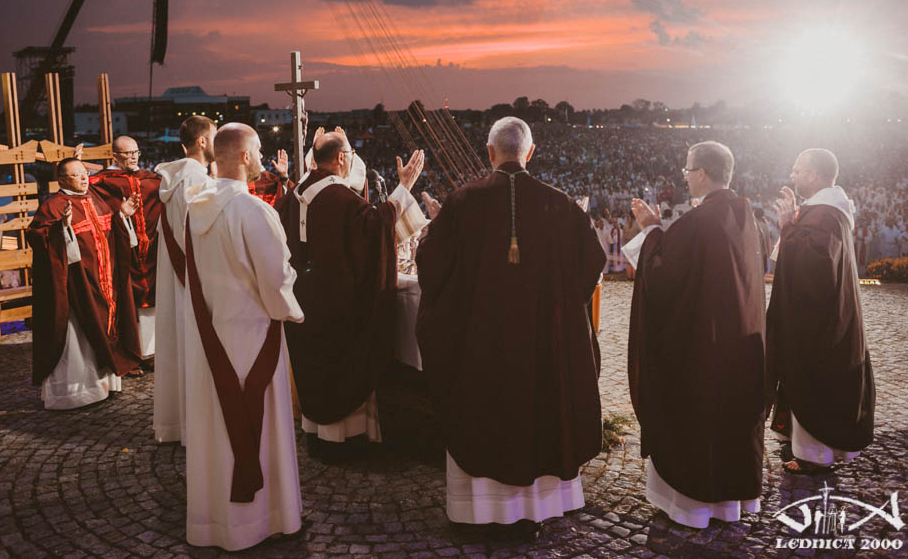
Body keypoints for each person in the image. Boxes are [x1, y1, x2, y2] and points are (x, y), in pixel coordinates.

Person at [416, 116, 608, 536]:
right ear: (530, 152)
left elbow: (431, 266)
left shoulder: (462, 203)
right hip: (542, 343)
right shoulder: (562, 205)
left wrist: (436, 229)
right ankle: (532, 509)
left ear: (490, 153)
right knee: (536, 414)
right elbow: (592, 266)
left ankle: (477, 513)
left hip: (480, 343)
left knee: (483, 412)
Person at [625, 141, 766, 529]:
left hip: (703, 348)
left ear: (703, 173)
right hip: (738, 342)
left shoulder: (698, 222)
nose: (685, 177)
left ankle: (691, 507)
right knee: (730, 421)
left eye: (687, 170)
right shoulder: (745, 214)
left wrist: (651, 230)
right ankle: (728, 503)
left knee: (699, 417)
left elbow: (662, 279)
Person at [181, 123, 305, 550]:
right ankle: (265, 518)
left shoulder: (194, 208)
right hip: (253, 335)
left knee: (214, 425)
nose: (261, 158)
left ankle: (215, 521)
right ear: (244, 156)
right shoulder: (253, 211)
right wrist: (289, 310)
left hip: (210, 338)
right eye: (258, 151)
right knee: (261, 422)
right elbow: (277, 278)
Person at [276, 129, 424, 456]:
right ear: (342, 158)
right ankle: (344, 439)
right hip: (338, 302)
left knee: (314, 364)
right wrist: (405, 188)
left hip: (303, 299)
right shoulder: (339, 198)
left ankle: (315, 430)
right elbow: (375, 230)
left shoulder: (295, 191)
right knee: (341, 363)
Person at [767, 149, 874, 474]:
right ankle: (810, 444)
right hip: (824, 313)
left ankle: (814, 454)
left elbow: (815, 266)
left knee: (815, 373)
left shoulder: (825, 215)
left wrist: (787, 227)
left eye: (798, 170)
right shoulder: (826, 211)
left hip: (819, 321)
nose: (793, 176)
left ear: (814, 175)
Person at [28, 158, 143, 410]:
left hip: (104, 281)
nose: (84, 178)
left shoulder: (96, 200)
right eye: (76, 175)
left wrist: (123, 216)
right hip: (76, 286)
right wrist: (62, 229)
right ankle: (74, 394)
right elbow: (39, 238)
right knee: (77, 337)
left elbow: (112, 230)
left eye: (84, 174)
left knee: (106, 327)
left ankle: (105, 384)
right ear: (61, 180)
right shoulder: (53, 206)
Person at [152, 115, 216, 444]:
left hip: (176, 276)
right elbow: (205, 234)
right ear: (202, 141)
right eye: (214, 135)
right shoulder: (197, 180)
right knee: (194, 347)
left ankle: (177, 422)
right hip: (194, 276)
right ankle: (198, 424)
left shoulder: (174, 178)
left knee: (176, 345)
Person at [84, 136, 162, 366]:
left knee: (152, 298)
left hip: (151, 250)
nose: (132, 157)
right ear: (115, 156)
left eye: (135, 152)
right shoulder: (101, 183)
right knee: (125, 297)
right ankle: (129, 349)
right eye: (127, 153)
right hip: (121, 249)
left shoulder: (152, 179)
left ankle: (151, 350)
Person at [753, 207, 772, 274]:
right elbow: (768, 240)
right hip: (764, 252)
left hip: (757, 253)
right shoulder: (765, 226)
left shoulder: (753, 226)